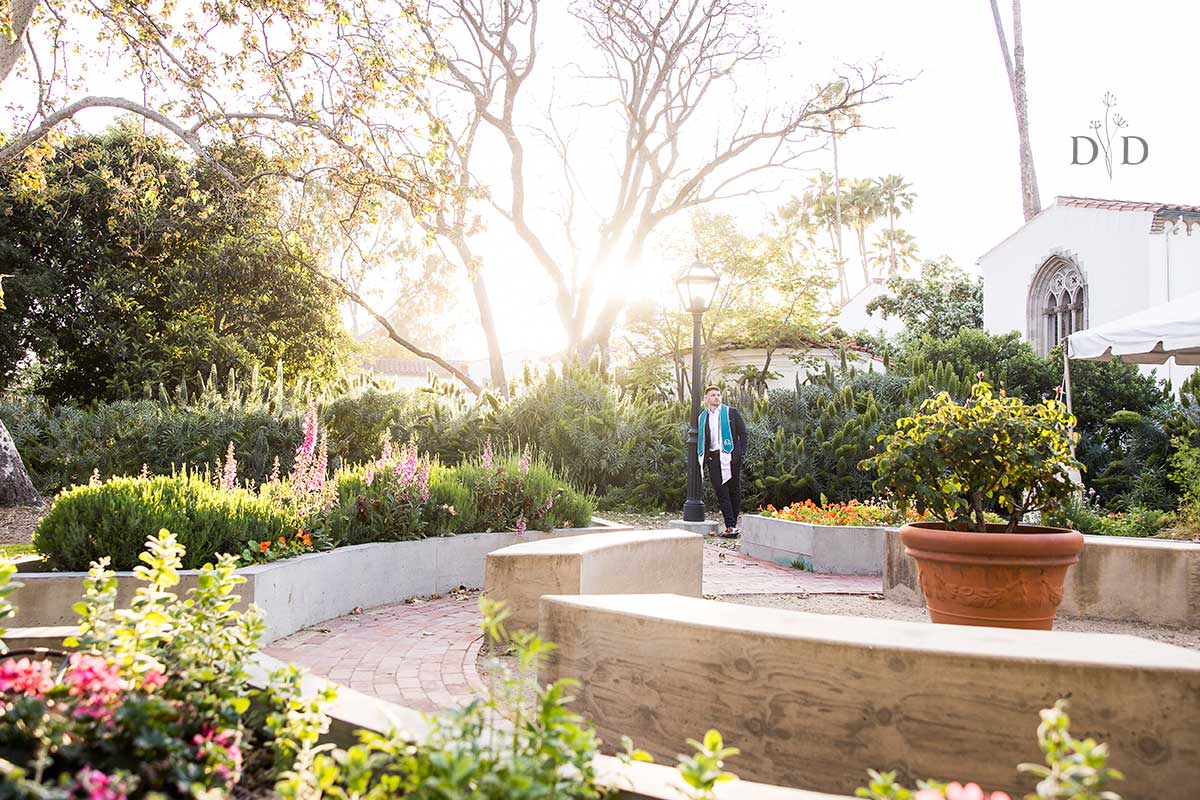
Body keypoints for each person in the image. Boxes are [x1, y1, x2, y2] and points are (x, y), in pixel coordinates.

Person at [696, 385, 749, 537]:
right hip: (713, 458)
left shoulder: (731, 412)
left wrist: (740, 454)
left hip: (731, 456)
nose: (716, 397)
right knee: (721, 491)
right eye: (713, 395)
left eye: (718, 395)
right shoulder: (703, 417)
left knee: (734, 490)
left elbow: (743, 433)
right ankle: (730, 524)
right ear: (706, 398)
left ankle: (731, 526)